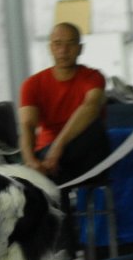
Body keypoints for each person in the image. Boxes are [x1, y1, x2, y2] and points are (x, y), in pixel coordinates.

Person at [18, 22, 110, 187]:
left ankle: (59, 196)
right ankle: (60, 199)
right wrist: (30, 161)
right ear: (50, 48)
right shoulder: (32, 84)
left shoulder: (93, 77)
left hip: (82, 155)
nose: (63, 50)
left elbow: (91, 107)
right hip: (47, 156)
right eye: (58, 44)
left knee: (95, 128)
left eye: (70, 44)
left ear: (80, 49)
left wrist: (58, 147)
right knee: (52, 170)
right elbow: (27, 125)